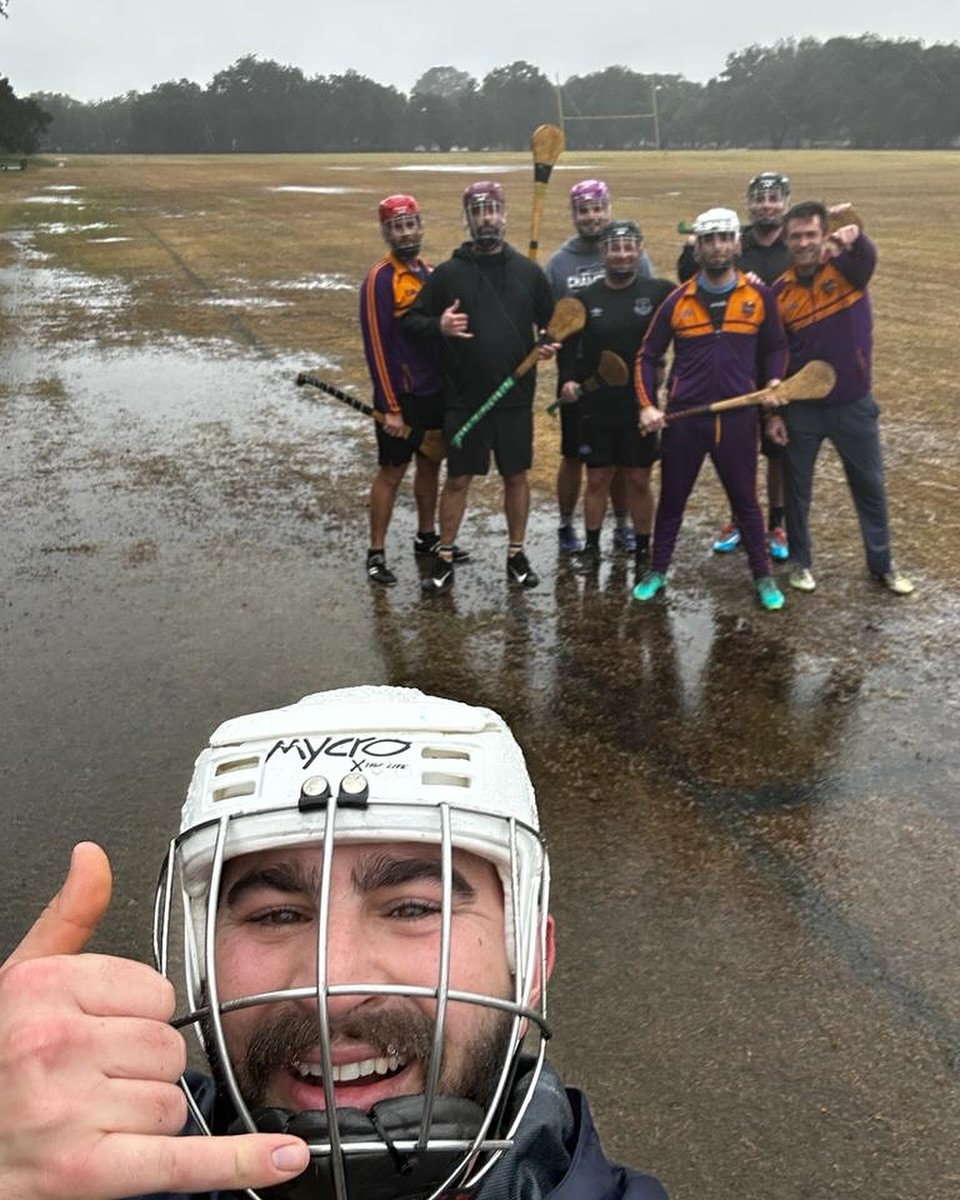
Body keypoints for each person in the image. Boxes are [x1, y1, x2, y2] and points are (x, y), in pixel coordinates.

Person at [0, 685, 670, 1200]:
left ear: (531, 962)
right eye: (274, 915)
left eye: (411, 907)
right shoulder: (72, 1173)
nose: (331, 983)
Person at [632, 207, 788, 612]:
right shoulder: (677, 301)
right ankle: (658, 570)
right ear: (697, 247)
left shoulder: (758, 296)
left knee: (746, 503)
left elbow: (776, 346)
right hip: (686, 418)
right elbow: (647, 356)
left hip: (737, 419)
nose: (718, 247)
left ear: (737, 244)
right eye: (709, 240)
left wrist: (773, 382)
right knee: (672, 500)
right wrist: (648, 405)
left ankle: (763, 576)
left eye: (725, 238)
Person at [405, 181, 557, 594]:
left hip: (514, 397)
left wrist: (549, 340)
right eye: (478, 211)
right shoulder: (448, 274)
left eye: (493, 209)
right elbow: (412, 322)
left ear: (505, 215)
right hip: (465, 397)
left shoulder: (529, 273)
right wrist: (439, 325)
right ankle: (445, 554)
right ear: (468, 219)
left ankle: (516, 553)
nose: (486, 217)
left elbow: (555, 321)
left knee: (515, 476)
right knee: (458, 479)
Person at [771, 201, 914, 595]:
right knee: (797, 492)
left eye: (810, 235)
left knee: (869, 487)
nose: (803, 243)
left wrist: (856, 237)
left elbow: (866, 258)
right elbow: (776, 355)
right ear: (786, 240)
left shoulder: (847, 270)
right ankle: (801, 562)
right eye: (796, 236)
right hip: (802, 409)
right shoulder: (779, 293)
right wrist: (776, 412)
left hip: (853, 404)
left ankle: (881, 564)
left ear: (824, 235)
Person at [678, 172, 792, 563]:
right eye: (759, 198)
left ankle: (777, 523)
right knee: (735, 451)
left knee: (776, 449)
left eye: (774, 198)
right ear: (748, 204)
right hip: (736, 360)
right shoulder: (732, 240)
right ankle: (738, 519)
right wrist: (692, 243)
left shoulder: (793, 246)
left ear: (786, 203)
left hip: (778, 360)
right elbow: (689, 273)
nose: (766, 205)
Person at [359, 194, 468, 585]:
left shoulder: (429, 273)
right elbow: (376, 344)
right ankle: (376, 552)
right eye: (396, 227)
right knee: (392, 471)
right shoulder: (379, 279)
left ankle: (426, 537)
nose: (405, 233)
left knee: (431, 464)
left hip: (433, 393)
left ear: (420, 226)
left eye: (410, 225)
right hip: (400, 398)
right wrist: (390, 406)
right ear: (386, 232)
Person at [556, 220, 673, 580]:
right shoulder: (585, 299)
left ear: (639, 250)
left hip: (640, 407)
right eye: (614, 247)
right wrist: (569, 382)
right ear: (603, 252)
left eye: (628, 247)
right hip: (596, 407)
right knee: (597, 479)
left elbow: (698, 298)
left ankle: (642, 550)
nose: (622, 254)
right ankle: (592, 548)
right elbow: (568, 349)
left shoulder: (658, 292)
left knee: (638, 479)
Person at [545, 180, 654, 555]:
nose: (591, 216)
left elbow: (651, 305)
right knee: (575, 456)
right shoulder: (559, 263)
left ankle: (623, 524)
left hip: (625, 380)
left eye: (597, 208)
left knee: (624, 462)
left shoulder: (633, 256)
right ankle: (565, 524)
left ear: (608, 209)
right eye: (583, 210)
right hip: (577, 377)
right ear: (574, 214)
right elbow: (550, 322)